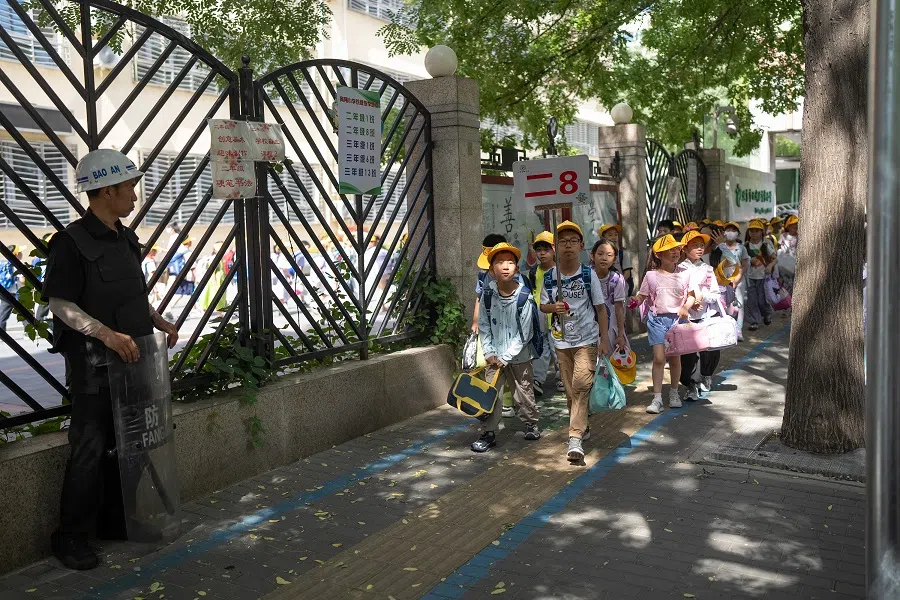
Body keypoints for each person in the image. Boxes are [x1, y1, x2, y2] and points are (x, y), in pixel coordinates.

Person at [42, 149, 178, 570]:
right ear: (105, 191)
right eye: (129, 188)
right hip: (95, 369)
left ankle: (119, 521)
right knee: (89, 449)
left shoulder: (125, 238)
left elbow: (131, 295)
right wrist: (105, 335)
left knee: (133, 446)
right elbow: (60, 304)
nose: (135, 197)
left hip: (134, 360)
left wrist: (158, 320)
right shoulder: (70, 243)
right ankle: (71, 538)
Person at [540, 221, 607, 462]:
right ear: (556, 247)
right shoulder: (550, 277)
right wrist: (552, 307)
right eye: (562, 241)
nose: (567, 245)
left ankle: (575, 438)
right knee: (570, 391)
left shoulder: (588, 275)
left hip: (587, 340)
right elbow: (542, 304)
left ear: (580, 246)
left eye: (572, 241)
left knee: (581, 385)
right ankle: (582, 423)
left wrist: (604, 339)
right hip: (561, 341)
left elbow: (601, 309)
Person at [471, 242, 541, 452]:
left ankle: (531, 423)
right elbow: (483, 323)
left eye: (510, 262)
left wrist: (506, 356)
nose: (505, 266)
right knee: (491, 393)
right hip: (494, 356)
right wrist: (490, 351)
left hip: (518, 356)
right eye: (499, 262)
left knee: (523, 391)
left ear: (517, 268)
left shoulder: (524, 297)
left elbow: (525, 333)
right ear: (491, 270)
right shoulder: (488, 294)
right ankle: (488, 432)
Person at [630, 234, 696, 414]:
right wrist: (634, 301)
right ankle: (657, 398)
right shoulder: (651, 276)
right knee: (659, 358)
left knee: (675, 359)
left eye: (677, 249)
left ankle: (674, 393)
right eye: (670, 250)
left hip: (677, 322)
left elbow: (691, 296)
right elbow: (642, 297)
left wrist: (685, 307)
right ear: (658, 255)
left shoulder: (685, 273)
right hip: (657, 321)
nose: (675, 252)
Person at [677, 230, 721, 400]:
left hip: (706, 317)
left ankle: (703, 377)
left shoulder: (708, 269)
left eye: (702, 245)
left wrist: (703, 296)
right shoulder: (678, 269)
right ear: (685, 249)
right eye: (695, 245)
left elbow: (716, 294)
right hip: (685, 319)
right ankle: (689, 384)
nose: (699, 248)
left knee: (707, 352)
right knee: (687, 357)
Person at [526, 231, 556, 396]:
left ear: (554, 250)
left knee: (557, 346)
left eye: (546, 249)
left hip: (556, 314)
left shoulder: (559, 271)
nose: (542, 253)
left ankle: (561, 377)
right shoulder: (532, 273)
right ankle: (537, 379)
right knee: (541, 346)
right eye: (539, 250)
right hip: (538, 314)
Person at [590, 238, 627, 357]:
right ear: (592, 256)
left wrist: (621, 334)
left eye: (609, 255)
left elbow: (619, 308)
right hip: (588, 329)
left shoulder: (617, 280)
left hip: (611, 329)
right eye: (600, 254)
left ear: (614, 259)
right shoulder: (585, 275)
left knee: (611, 365)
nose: (604, 258)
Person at [744, 219, 776, 331]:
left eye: (757, 231)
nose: (754, 233)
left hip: (764, 277)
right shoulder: (745, 246)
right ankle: (754, 321)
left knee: (762, 300)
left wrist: (770, 266)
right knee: (752, 300)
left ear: (761, 232)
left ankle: (767, 314)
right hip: (750, 277)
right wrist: (748, 261)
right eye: (751, 231)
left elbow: (774, 259)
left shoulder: (766, 244)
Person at [719, 221, 749, 341]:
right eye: (728, 230)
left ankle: (738, 330)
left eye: (733, 230)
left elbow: (744, 265)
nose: (730, 232)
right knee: (724, 305)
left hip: (739, 281)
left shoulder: (742, 248)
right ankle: (727, 330)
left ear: (737, 233)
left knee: (740, 305)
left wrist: (737, 280)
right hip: (723, 280)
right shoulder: (719, 247)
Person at [598, 223, 635, 296]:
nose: (614, 237)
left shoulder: (622, 254)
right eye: (610, 235)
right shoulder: (598, 255)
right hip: (604, 290)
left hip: (621, 289)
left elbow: (627, 273)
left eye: (616, 234)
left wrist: (618, 283)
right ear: (602, 238)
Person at [0, 245, 22, 330]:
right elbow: (22, 281)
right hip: (12, 292)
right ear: (16, 254)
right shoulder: (16, 265)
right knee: (24, 310)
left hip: (3, 291)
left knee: (4, 311)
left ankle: (1, 332)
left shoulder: (2, 263)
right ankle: (28, 332)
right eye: (20, 252)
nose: (21, 254)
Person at [779, 215, 799, 293]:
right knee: (785, 283)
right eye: (793, 226)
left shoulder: (799, 237)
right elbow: (779, 247)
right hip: (784, 263)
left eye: (796, 226)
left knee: (794, 282)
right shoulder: (783, 236)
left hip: (795, 263)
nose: (795, 227)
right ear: (788, 226)